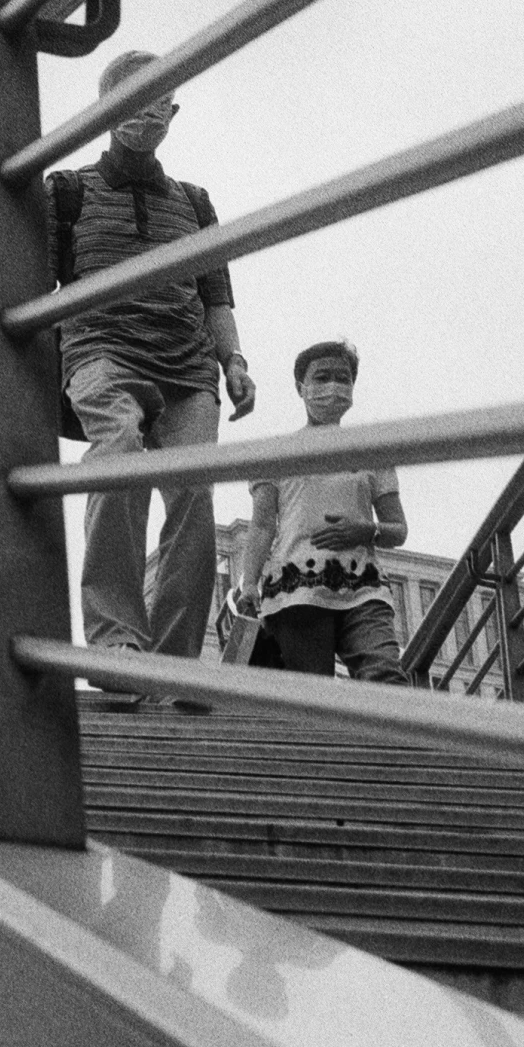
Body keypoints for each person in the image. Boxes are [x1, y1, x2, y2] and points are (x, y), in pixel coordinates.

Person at [50, 49, 255, 661]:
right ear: (106, 109)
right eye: (130, 99)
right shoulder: (67, 191)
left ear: (174, 110)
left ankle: (175, 661)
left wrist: (235, 361)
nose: (147, 112)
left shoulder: (195, 202)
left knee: (193, 496)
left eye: (158, 100)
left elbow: (215, 291)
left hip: (188, 364)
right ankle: (116, 639)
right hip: (101, 349)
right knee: (117, 454)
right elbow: (35, 287)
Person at [233, 340, 409, 681]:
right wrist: (249, 585)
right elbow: (262, 526)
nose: (333, 386)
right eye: (322, 377)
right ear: (302, 387)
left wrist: (365, 530)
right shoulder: (275, 453)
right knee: (316, 691)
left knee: (386, 675)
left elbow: (398, 529)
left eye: (343, 378)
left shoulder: (375, 451)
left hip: (364, 588)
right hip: (296, 591)